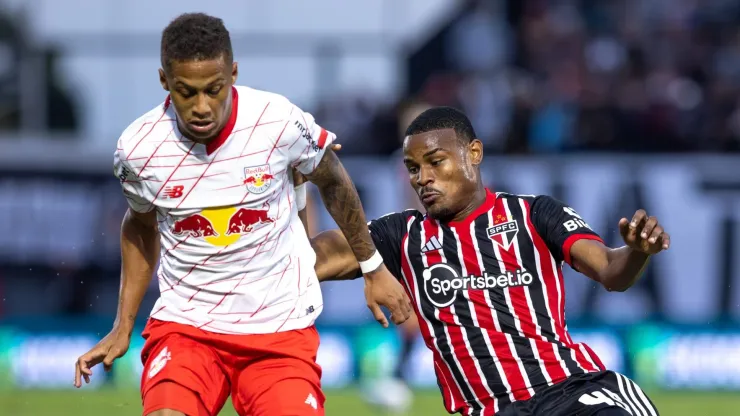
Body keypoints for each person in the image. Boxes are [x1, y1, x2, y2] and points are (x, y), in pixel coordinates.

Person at [72, 13, 412, 416]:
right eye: (186, 92)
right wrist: (122, 325)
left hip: (278, 331)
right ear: (164, 81)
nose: (201, 107)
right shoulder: (138, 150)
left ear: (233, 73)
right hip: (187, 329)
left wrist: (373, 268)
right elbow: (141, 226)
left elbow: (334, 180)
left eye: (214, 89)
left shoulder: (278, 121)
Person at [307, 106, 665, 415]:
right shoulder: (401, 236)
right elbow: (310, 259)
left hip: (573, 394)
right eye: (413, 168)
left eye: (435, 162)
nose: (423, 178)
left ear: (473, 153)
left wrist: (636, 251)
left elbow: (611, 272)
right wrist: (289, 193)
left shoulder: (534, 214)